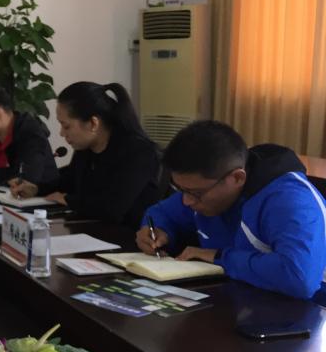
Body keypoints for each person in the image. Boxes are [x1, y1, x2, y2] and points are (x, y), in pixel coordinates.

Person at [136, 120, 326, 304]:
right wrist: (156, 230)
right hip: (244, 301)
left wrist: (219, 257)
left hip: (311, 312)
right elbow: (161, 213)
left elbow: (299, 278)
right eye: (179, 189)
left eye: (195, 193)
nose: (186, 201)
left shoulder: (290, 200)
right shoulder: (205, 188)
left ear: (237, 178)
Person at [8, 82, 161, 227]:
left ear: (93, 123)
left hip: (129, 238)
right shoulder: (86, 149)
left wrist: (68, 200)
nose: (61, 133)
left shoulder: (138, 152)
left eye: (66, 126)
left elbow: (112, 208)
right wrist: (36, 189)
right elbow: (68, 182)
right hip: (92, 230)